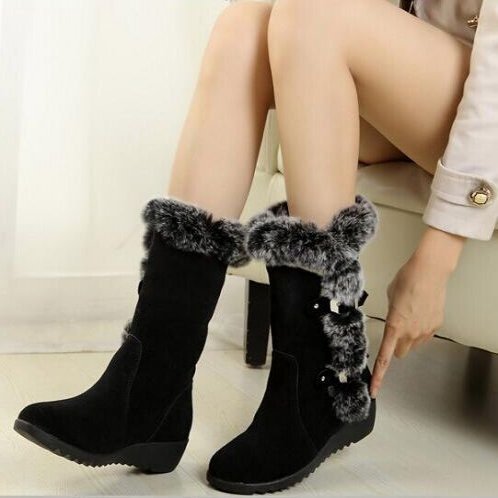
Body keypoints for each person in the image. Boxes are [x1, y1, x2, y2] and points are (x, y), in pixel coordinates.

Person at [13, 0, 497, 494]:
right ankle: (152, 386)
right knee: (243, 27)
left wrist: (438, 257)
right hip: (428, 84)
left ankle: (320, 383)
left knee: (313, 15)